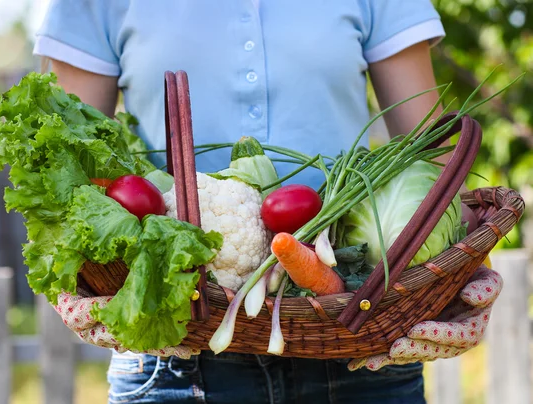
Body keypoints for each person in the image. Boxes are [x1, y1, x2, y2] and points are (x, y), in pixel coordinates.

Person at [33, 1, 502, 403]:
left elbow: (429, 148)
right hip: (172, 352)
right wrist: (81, 283)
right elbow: (70, 169)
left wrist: (454, 276)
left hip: (361, 333)